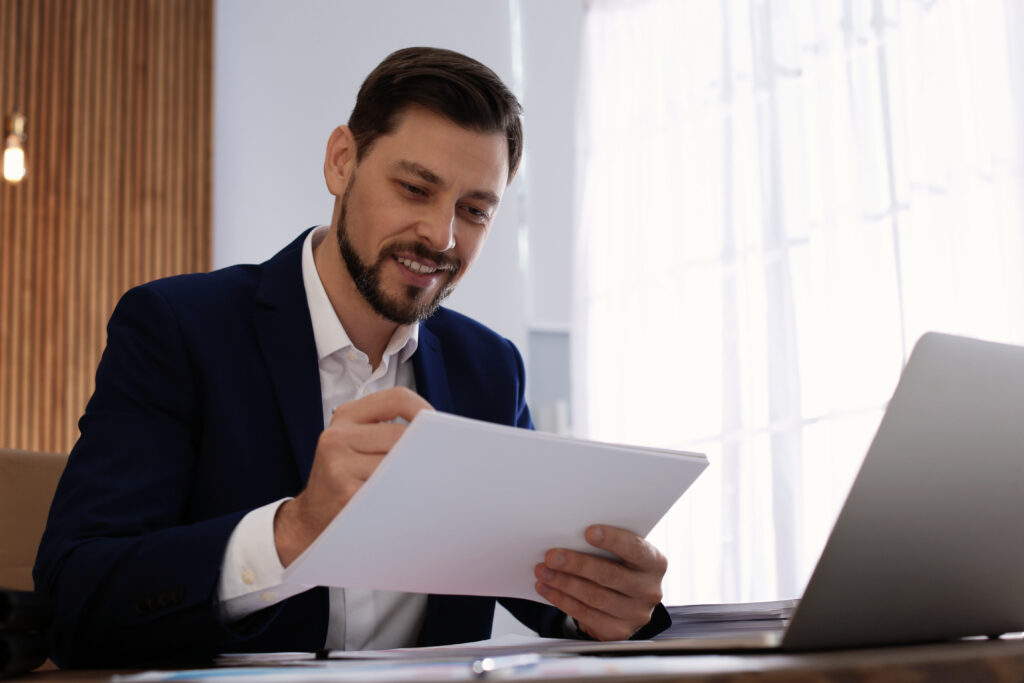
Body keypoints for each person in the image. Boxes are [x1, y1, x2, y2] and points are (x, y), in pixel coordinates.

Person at [34, 47, 670, 668]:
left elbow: (537, 577)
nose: (442, 236)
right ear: (342, 162)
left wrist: (609, 604)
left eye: (474, 211)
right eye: (415, 188)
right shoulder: (178, 329)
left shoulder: (490, 368)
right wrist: (293, 531)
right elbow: (74, 603)